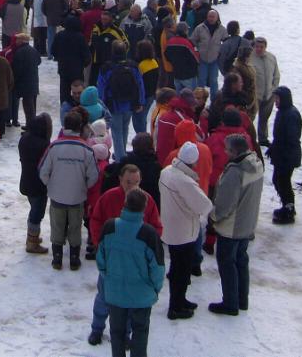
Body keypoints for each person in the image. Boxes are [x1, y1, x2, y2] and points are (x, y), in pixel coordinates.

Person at [96, 189, 165, 357]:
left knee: (117, 332)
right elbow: (158, 267)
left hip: (115, 292)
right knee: (140, 332)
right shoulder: (148, 233)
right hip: (141, 295)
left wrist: (109, 278)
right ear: (144, 208)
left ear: (125, 203)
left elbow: (101, 259)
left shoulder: (110, 227)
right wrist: (155, 288)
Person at [208, 134, 264, 315]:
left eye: (227, 149)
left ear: (234, 151)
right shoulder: (255, 163)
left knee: (227, 263)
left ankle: (230, 303)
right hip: (247, 223)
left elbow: (225, 203)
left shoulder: (235, 172)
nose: (224, 152)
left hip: (231, 227)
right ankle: (242, 299)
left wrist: (214, 217)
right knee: (241, 261)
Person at [40, 110, 100, 271]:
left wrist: (51, 185)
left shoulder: (54, 147)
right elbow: (93, 175)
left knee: (57, 226)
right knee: (75, 227)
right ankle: (74, 258)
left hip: (57, 196)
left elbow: (43, 171)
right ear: (80, 127)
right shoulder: (86, 149)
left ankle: (57, 258)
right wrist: (83, 187)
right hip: (77, 196)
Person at [159, 142, 213, 319]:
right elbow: (203, 205)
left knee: (177, 267)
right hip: (184, 231)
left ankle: (180, 300)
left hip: (171, 226)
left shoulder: (167, 172)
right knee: (181, 270)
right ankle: (176, 305)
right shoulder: (185, 181)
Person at [19, 112, 53, 254]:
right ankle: (32, 242)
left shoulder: (24, 140)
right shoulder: (44, 145)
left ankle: (32, 237)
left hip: (26, 180)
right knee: (36, 214)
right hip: (39, 185)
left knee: (34, 209)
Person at [268, 86, 302, 224]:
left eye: (277, 98)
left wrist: (278, 147)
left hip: (287, 156)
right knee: (279, 180)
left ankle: (289, 208)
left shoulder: (290, 114)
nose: (275, 101)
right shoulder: (283, 112)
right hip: (282, 154)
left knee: (283, 182)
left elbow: (290, 137)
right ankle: (286, 205)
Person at [247, 37, 280, 145]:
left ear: (265, 47)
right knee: (250, 117)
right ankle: (248, 137)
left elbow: (276, 75)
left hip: (269, 94)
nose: (259, 49)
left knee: (264, 118)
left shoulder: (271, 58)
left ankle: (263, 138)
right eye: (257, 47)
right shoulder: (250, 58)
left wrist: (274, 89)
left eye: (261, 47)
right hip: (255, 95)